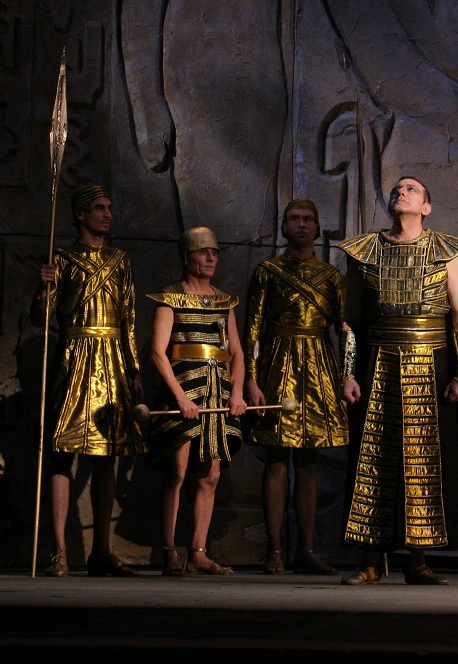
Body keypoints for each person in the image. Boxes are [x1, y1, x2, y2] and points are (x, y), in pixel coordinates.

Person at [336, 176, 458, 585]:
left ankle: (418, 561)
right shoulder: (364, 251)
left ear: (427, 207)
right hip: (377, 361)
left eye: (412, 189)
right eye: (398, 189)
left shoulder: (447, 251)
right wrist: (348, 373)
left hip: (431, 363)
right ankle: (369, 562)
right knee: (372, 461)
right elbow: (351, 320)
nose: (402, 192)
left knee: (424, 462)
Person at [32, 183, 146, 577]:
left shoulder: (120, 260)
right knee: (63, 451)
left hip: (112, 359)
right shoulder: (62, 258)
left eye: (109, 207)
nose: (107, 214)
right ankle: (59, 552)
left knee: (106, 455)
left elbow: (129, 319)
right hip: (75, 356)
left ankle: (101, 552)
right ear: (80, 214)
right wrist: (44, 287)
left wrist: (134, 369)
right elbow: (41, 318)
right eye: (99, 208)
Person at [244, 198, 350, 575]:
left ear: (317, 228)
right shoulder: (268, 271)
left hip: (318, 368)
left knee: (308, 460)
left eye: (308, 219)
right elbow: (252, 330)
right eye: (294, 219)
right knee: (276, 457)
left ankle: (306, 550)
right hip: (277, 364)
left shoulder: (331, 276)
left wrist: (347, 376)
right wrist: (251, 379)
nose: (301, 224)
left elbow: (345, 331)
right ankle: (274, 550)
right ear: (284, 227)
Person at [146, 227, 246, 576]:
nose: (210, 258)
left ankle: (198, 553)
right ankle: (169, 551)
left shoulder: (225, 301)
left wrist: (237, 392)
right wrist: (180, 397)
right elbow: (157, 352)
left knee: (210, 475)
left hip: (217, 393)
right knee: (177, 471)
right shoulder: (170, 297)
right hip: (184, 391)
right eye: (204, 252)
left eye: (214, 253)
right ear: (187, 257)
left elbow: (237, 352)